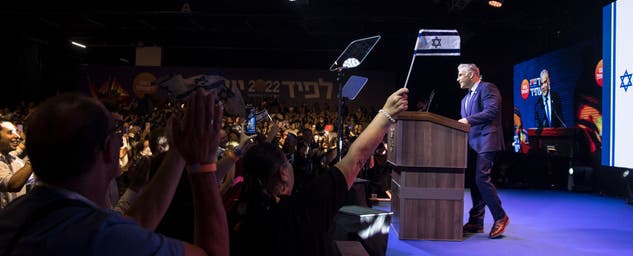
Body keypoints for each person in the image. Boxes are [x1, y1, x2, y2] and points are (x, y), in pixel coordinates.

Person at [0, 89, 228, 255]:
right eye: (116, 131)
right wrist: (203, 165)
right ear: (109, 148)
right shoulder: (101, 238)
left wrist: (177, 152)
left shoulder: (16, 214)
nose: (121, 138)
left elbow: (133, 223)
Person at [228, 88, 408, 255]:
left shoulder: (238, 216)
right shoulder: (304, 208)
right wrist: (387, 113)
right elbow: (356, 158)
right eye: (287, 163)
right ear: (283, 173)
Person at [456, 63, 509, 239]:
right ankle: (476, 221)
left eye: (460, 74)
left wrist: (467, 120)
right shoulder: (464, 99)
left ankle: (500, 217)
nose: (458, 78)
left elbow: (492, 112)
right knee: (474, 180)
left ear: (472, 75)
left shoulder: (487, 88)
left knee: (481, 178)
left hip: (488, 140)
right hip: (472, 144)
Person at [0, 120, 33, 209]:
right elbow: (13, 185)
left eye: (16, 132)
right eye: (10, 132)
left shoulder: (10, 154)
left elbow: (22, 145)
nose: (17, 136)